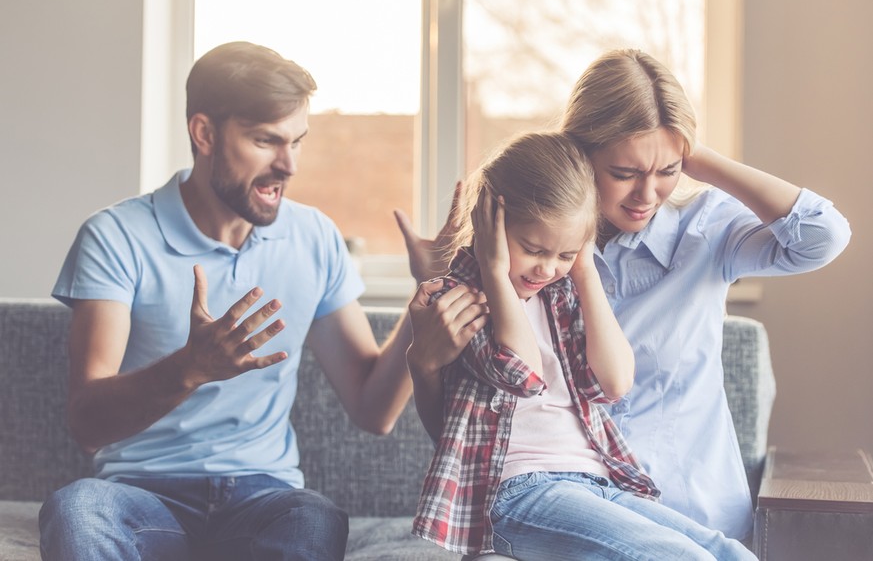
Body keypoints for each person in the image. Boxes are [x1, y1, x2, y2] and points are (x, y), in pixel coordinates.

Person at [38, 41, 484, 561]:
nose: (288, 165)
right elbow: (87, 424)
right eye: (265, 141)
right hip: (140, 494)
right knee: (77, 508)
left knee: (312, 515)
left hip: (263, 498)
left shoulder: (314, 236)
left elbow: (372, 408)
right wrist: (190, 367)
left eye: (296, 141)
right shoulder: (116, 236)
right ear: (204, 133)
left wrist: (426, 294)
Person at [399, 48, 852, 543]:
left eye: (666, 172)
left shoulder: (703, 230)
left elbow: (822, 237)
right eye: (625, 173)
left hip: (692, 509)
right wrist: (425, 357)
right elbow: (475, 423)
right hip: (568, 510)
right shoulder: (535, 272)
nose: (647, 196)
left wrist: (688, 152)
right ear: (578, 157)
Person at [411, 131, 755, 559]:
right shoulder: (462, 296)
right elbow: (522, 373)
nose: (548, 267)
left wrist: (585, 269)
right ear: (491, 227)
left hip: (594, 481)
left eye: (565, 253)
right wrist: (495, 270)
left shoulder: (560, 296)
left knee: (730, 553)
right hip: (515, 492)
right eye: (533, 249)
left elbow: (615, 383)